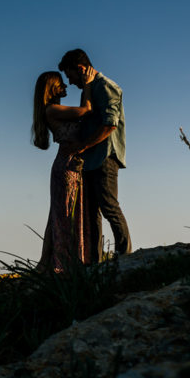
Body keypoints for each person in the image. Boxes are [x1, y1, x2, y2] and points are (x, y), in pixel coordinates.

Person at [58, 48, 131, 258]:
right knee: (91, 213)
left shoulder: (106, 86)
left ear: (80, 69)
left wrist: (83, 146)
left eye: (70, 76)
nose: (70, 82)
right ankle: (94, 262)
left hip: (105, 156)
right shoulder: (89, 89)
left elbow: (110, 124)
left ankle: (125, 256)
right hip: (91, 158)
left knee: (109, 207)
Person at [31, 71, 97, 271]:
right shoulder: (52, 110)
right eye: (61, 84)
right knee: (64, 215)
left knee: (62, 214)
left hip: (72, 164)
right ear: (52, 88)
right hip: (67, 166)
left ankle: (50, 264)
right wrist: (87, 84)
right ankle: (60, 264)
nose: (66, 87)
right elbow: (86, 109)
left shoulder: (55, 109)